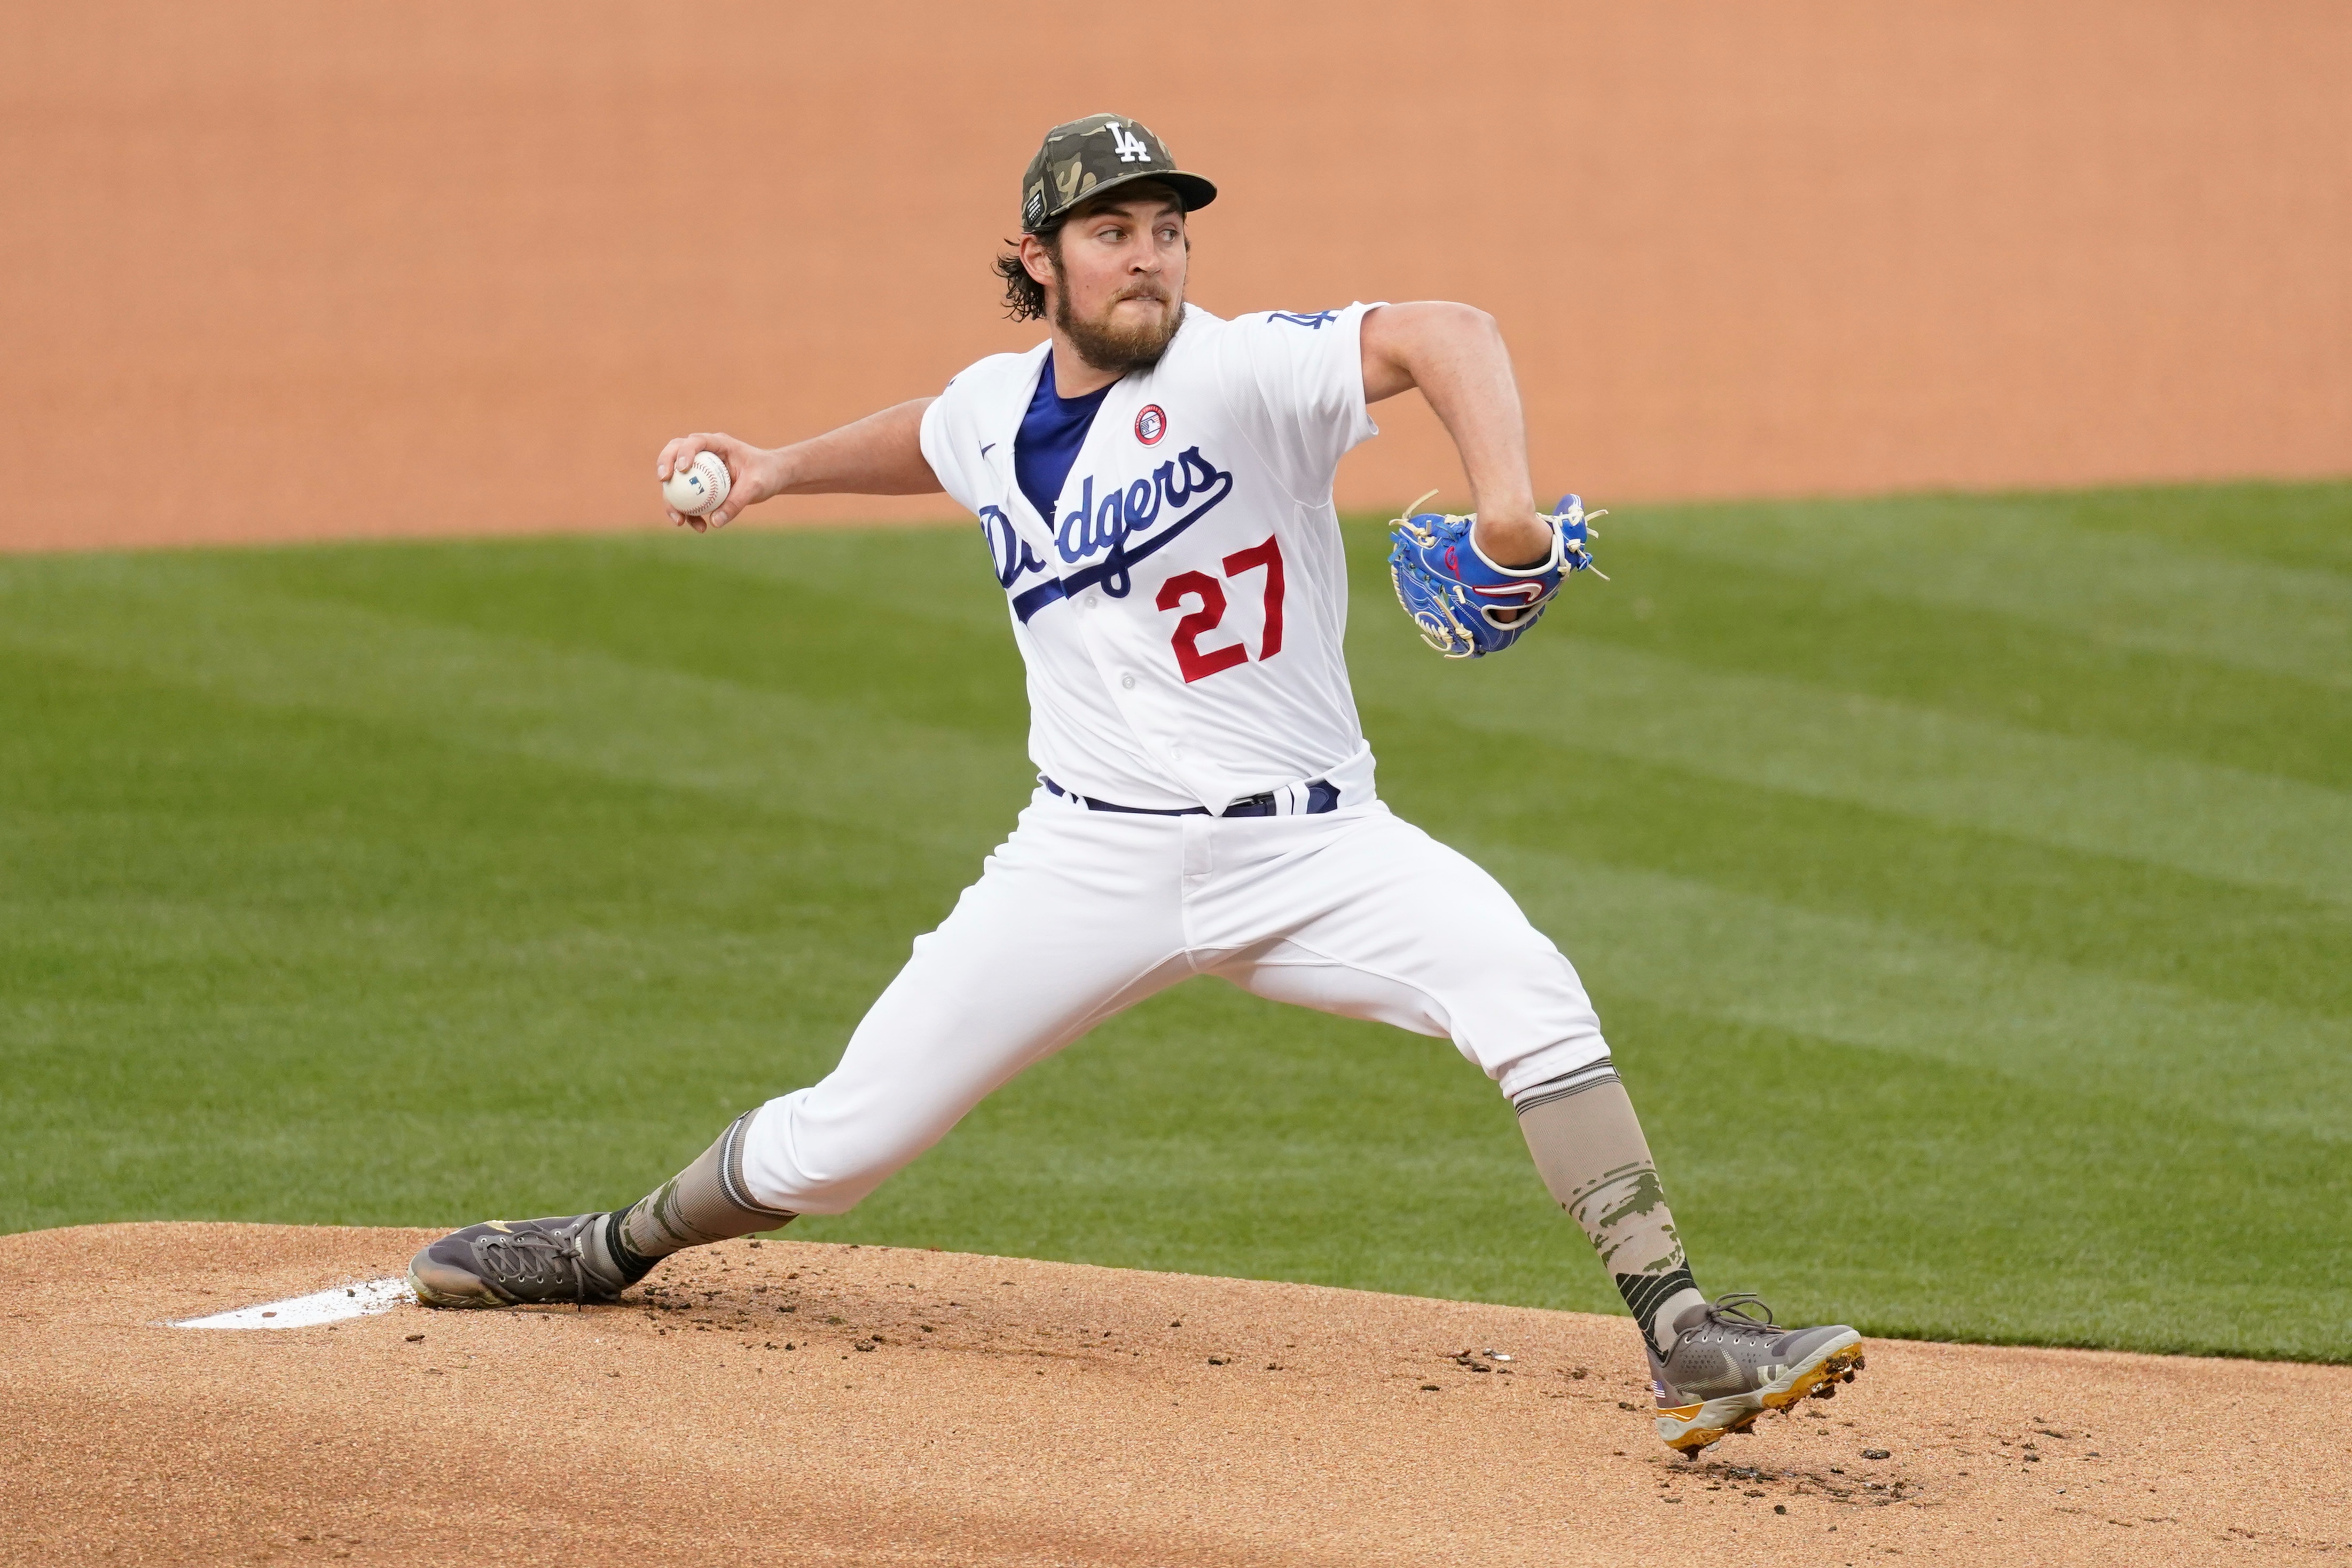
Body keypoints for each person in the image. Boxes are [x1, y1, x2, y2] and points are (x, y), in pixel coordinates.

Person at [407, 113, 1863, 1454]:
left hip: (1317, 852)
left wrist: (1501, 509)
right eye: (1114, 231)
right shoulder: (990, 407)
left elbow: (1445, 331)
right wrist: (776, 467)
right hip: (1080, 865)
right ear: (1037, 259)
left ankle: (1682, 1333)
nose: (1149, 254)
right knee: (843, 1143)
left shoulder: (1248, 373)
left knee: (1525, 989)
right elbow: (933, 434)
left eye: (1167, 228)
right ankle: (610, 1247)